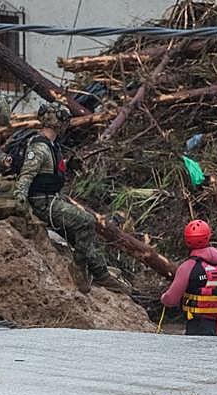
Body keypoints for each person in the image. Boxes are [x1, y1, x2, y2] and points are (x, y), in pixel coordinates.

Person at [11, 102, 129, 294]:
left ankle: (100, 272)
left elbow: (47, 170)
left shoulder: (50, 145)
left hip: (53, 198)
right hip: (43, 202)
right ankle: (79, 269)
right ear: (59, 122)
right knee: (86, 222)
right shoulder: (39, 147)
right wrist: (21, 203)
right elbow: (27, 175)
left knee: (81, 233)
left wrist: (68, 165)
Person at [160, 219, 217, 336]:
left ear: (187, 240)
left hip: (198, 326)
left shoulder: (188, 266)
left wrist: (164, 298)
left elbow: (171, 300)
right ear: (208, 236)